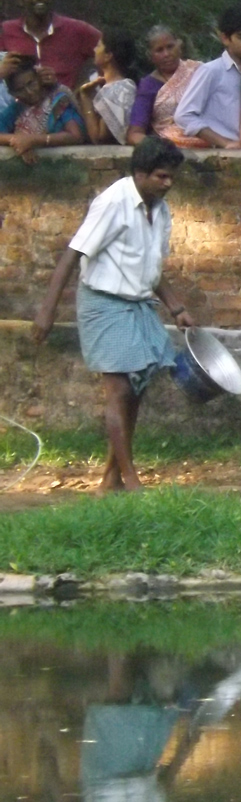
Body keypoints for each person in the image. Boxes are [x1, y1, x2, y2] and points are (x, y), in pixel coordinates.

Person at [31, 136, 197, 493]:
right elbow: (72, 254)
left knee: (136, 389)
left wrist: (176, 306)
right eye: (161, 177)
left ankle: (111, 477)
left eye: (171, 178)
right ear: (140, 172)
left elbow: (151, 267)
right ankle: (131, 481)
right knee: (119, 390)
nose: (168, 184)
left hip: (138, 303)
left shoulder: (160, 208)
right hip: (104, 302)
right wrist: (47, 312)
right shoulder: (112, 203)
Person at [174, 6, 241, 148]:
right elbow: (184, 115)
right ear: (225, 38)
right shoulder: (211, 71)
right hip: (220, 154)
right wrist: (225, 142)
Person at [0, 0, 101, 90]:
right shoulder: (5, 31)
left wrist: (92, 89)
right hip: (17, 107)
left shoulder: (76, 30)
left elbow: (113, 54)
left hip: (64, 105)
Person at [0, 55, 84, 164]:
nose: (29, 92)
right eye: (20, 90)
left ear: (39, 79)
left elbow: (75, 136)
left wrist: (33, 140)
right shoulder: (16, 109)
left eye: (31, 83)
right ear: (12, 93)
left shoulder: (57, 100)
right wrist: (18, 140)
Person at [127, 27, 197, 147]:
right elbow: (135, 133)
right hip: (169, 146)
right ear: (150, 56)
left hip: (208, 140)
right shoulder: (148, 85)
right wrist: (162, 147)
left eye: (170, 47)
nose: (167, 54)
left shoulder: (199, 72)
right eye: (159, 50)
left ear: (179, 46)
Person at [74, 29, 141, 145]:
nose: (94, 50)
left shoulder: (122, 89)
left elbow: (99, 137)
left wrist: (85, 98)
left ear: (108, 56)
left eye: (98, 46)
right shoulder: (100, 84)